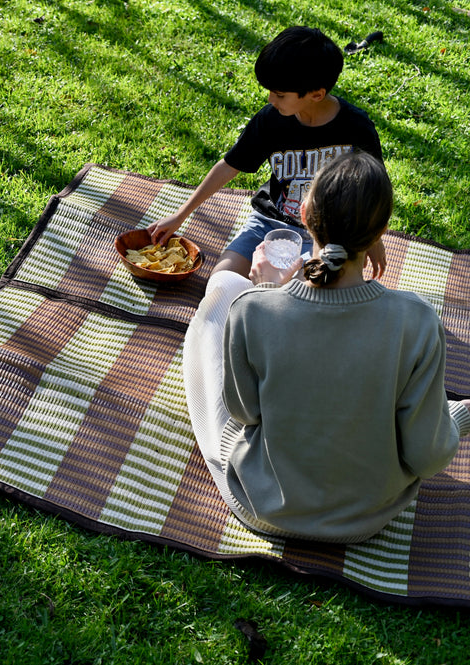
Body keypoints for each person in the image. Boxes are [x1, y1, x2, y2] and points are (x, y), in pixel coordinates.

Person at [182, 152, 470, 543]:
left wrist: (268, 293)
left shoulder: (254, 310)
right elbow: (427, 455)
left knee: (222, 293)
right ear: (382, 230)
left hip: (262, 506)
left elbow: (245, 413)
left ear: (303, 214)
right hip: (368, 517)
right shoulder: (416, 321)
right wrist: (457, 419)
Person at [147, 26, 386, 280]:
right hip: (268, 225)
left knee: (298, 289)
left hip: (325, 235)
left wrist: (374, 237)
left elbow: (376, 189)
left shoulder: (356, 127)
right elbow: (230, 165)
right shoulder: (272, 120)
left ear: (316, 94)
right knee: (221, 279)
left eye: (280, 94)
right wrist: (181, 214)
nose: (271, 99)